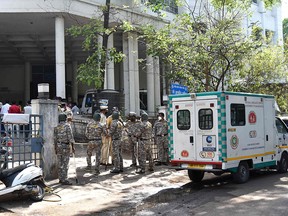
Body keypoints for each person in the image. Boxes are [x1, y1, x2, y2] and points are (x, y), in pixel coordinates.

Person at [54, 113, 75, 185]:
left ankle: (60, 178)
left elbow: (54, 139)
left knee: (60, 163)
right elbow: (70, 138)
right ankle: (65, 179)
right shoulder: (67, 126)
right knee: (65, 163)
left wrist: (55, 148)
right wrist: (73, 147)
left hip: (58, 146)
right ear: (65, 119)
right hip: (65, 147)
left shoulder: (56, 126)